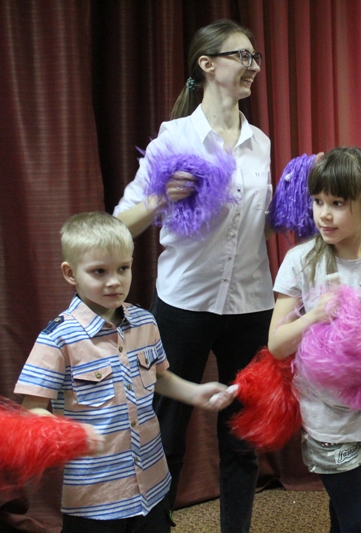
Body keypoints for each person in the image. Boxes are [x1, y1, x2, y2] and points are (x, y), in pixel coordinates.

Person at [113, 19, 274, 532]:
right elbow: (119, 224)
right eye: (241, 56)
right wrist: (161, 198)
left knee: (241, 436)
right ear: (207, 64)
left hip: (251, 304)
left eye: (255, 58)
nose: (252, 66)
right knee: (167, 430)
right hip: (183, 303)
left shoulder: (261, 143)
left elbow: (257, 222)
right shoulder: (174, 138)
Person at [14, 212, 234, 533]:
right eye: (99, 271)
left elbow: (160, 378)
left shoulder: (145, 322)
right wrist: (69, 435)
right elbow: (31, 411)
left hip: (154, 486)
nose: (114, 281)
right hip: (95, 499)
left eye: (123, 268)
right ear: (70, 273)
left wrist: (195, 393)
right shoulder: (57, 338)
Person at [268, 147, 361, 533]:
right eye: (318, 201)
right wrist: (315, 315)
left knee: (344, 517)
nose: (323, 214)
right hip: (327, 417)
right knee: (360, 521)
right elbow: (277, 344)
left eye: (337, 203)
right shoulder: (301, 260)